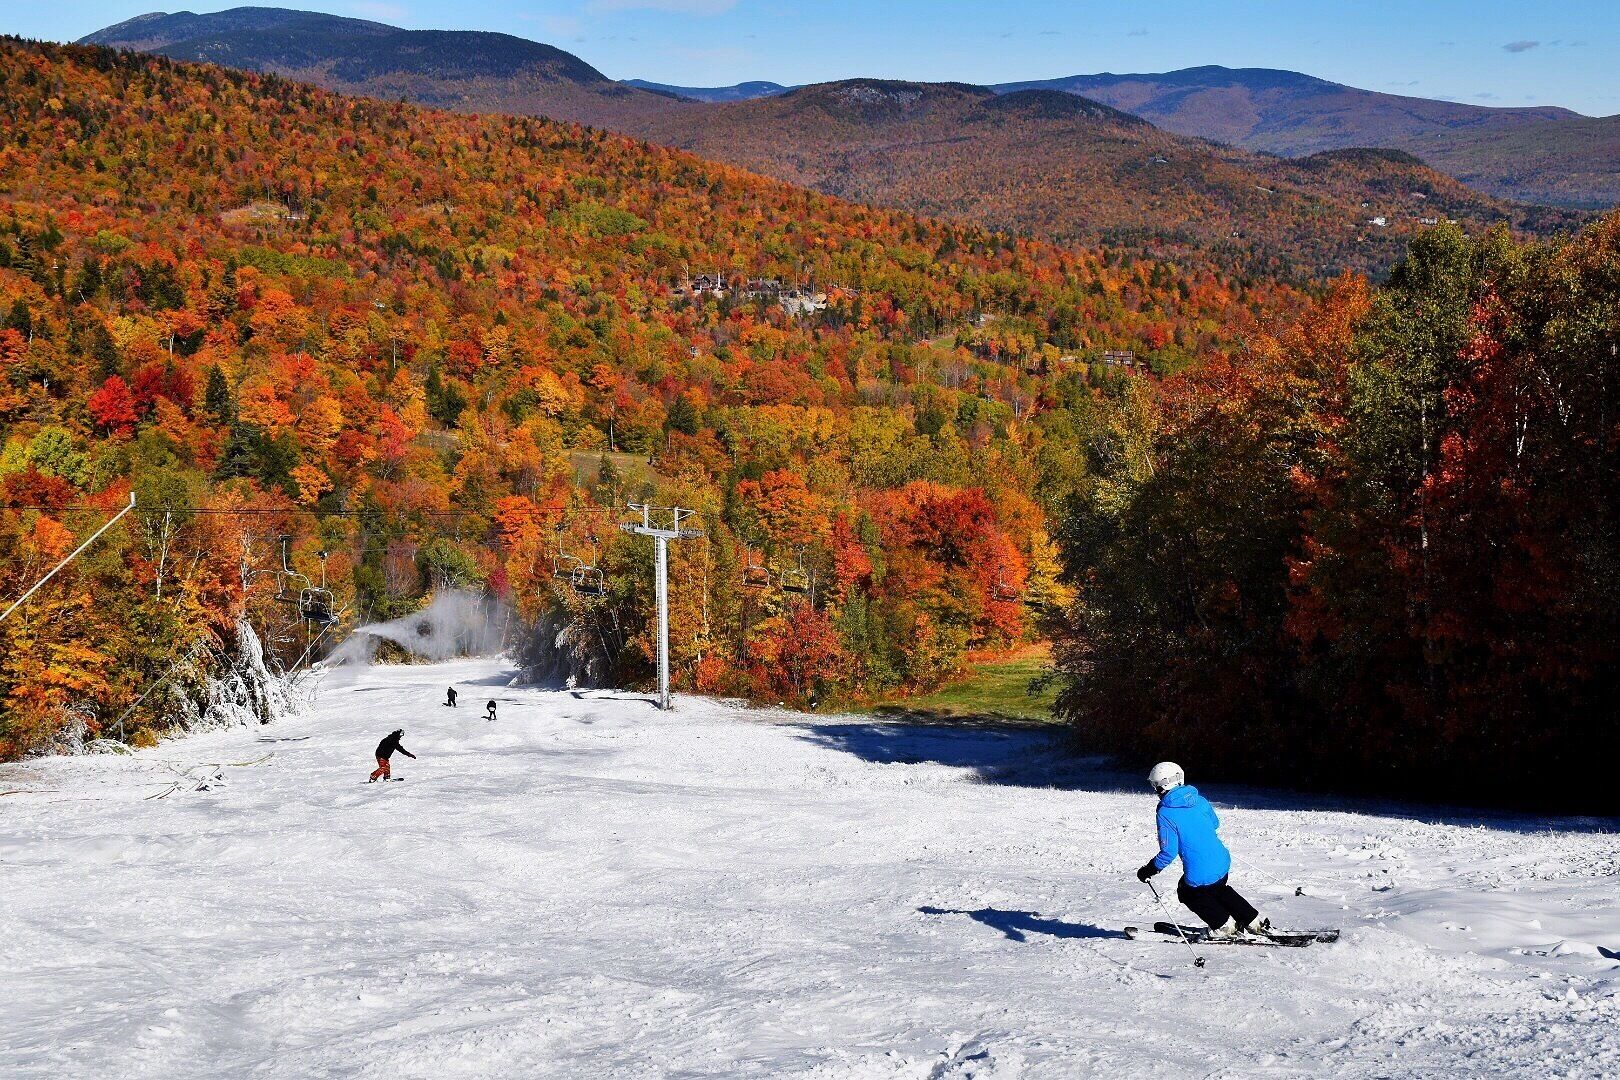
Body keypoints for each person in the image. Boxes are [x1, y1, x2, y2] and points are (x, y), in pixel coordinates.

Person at [1136, 761, 1269, 938]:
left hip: (1200, 870)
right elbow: (1215, 823)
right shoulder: (1198, 799)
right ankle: (1252, 920)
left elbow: (1168, 852)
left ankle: (1223, 926)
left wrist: (1149, 869)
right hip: (1221, 860)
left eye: (1156, 786)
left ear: (1164, 785)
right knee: (1219, 889)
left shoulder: (1165, 812)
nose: (1155, 791)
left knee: (1188, 892)